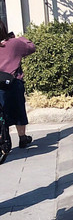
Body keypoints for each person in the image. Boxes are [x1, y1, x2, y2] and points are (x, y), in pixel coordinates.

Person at [0, 20, 36, 149]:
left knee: (2, 113)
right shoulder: (14, 43)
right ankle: (22, 138)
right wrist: (21, 38)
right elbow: (31, 47)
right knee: (18, 110)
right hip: (12, 82)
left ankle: (3, 137)